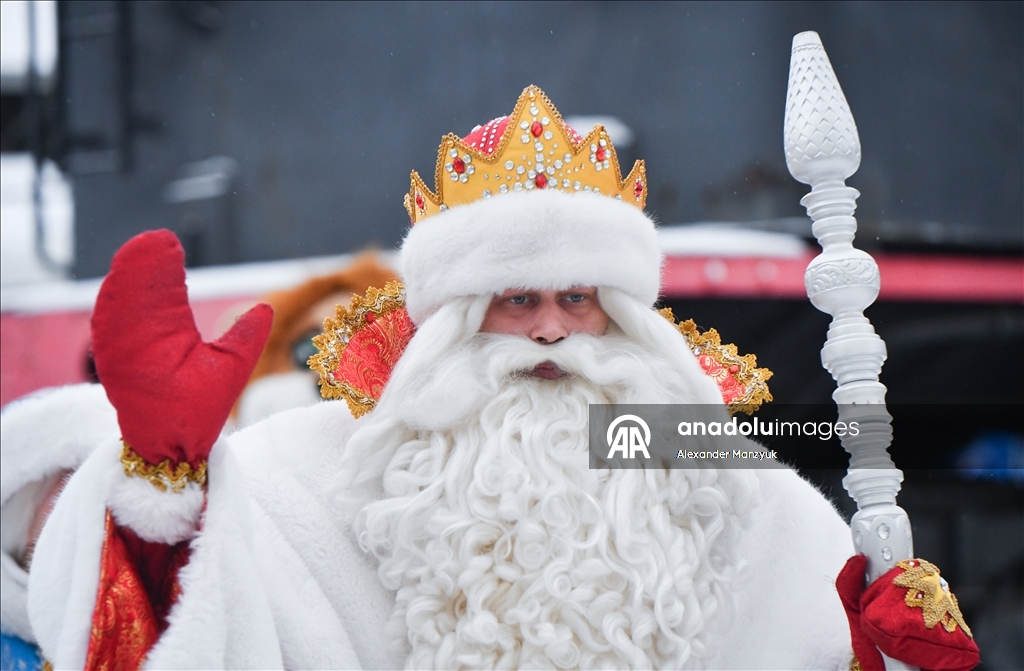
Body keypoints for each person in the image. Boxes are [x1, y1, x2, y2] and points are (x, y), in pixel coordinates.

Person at [9, 86, 973, 670]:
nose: (550, 330)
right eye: (516, 299)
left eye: (578, 298)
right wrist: (161, 492)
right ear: (456, 319)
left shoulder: (729, 487)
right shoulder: (310, 474)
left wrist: (884, 655)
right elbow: (186, 636)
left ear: (621, 313)